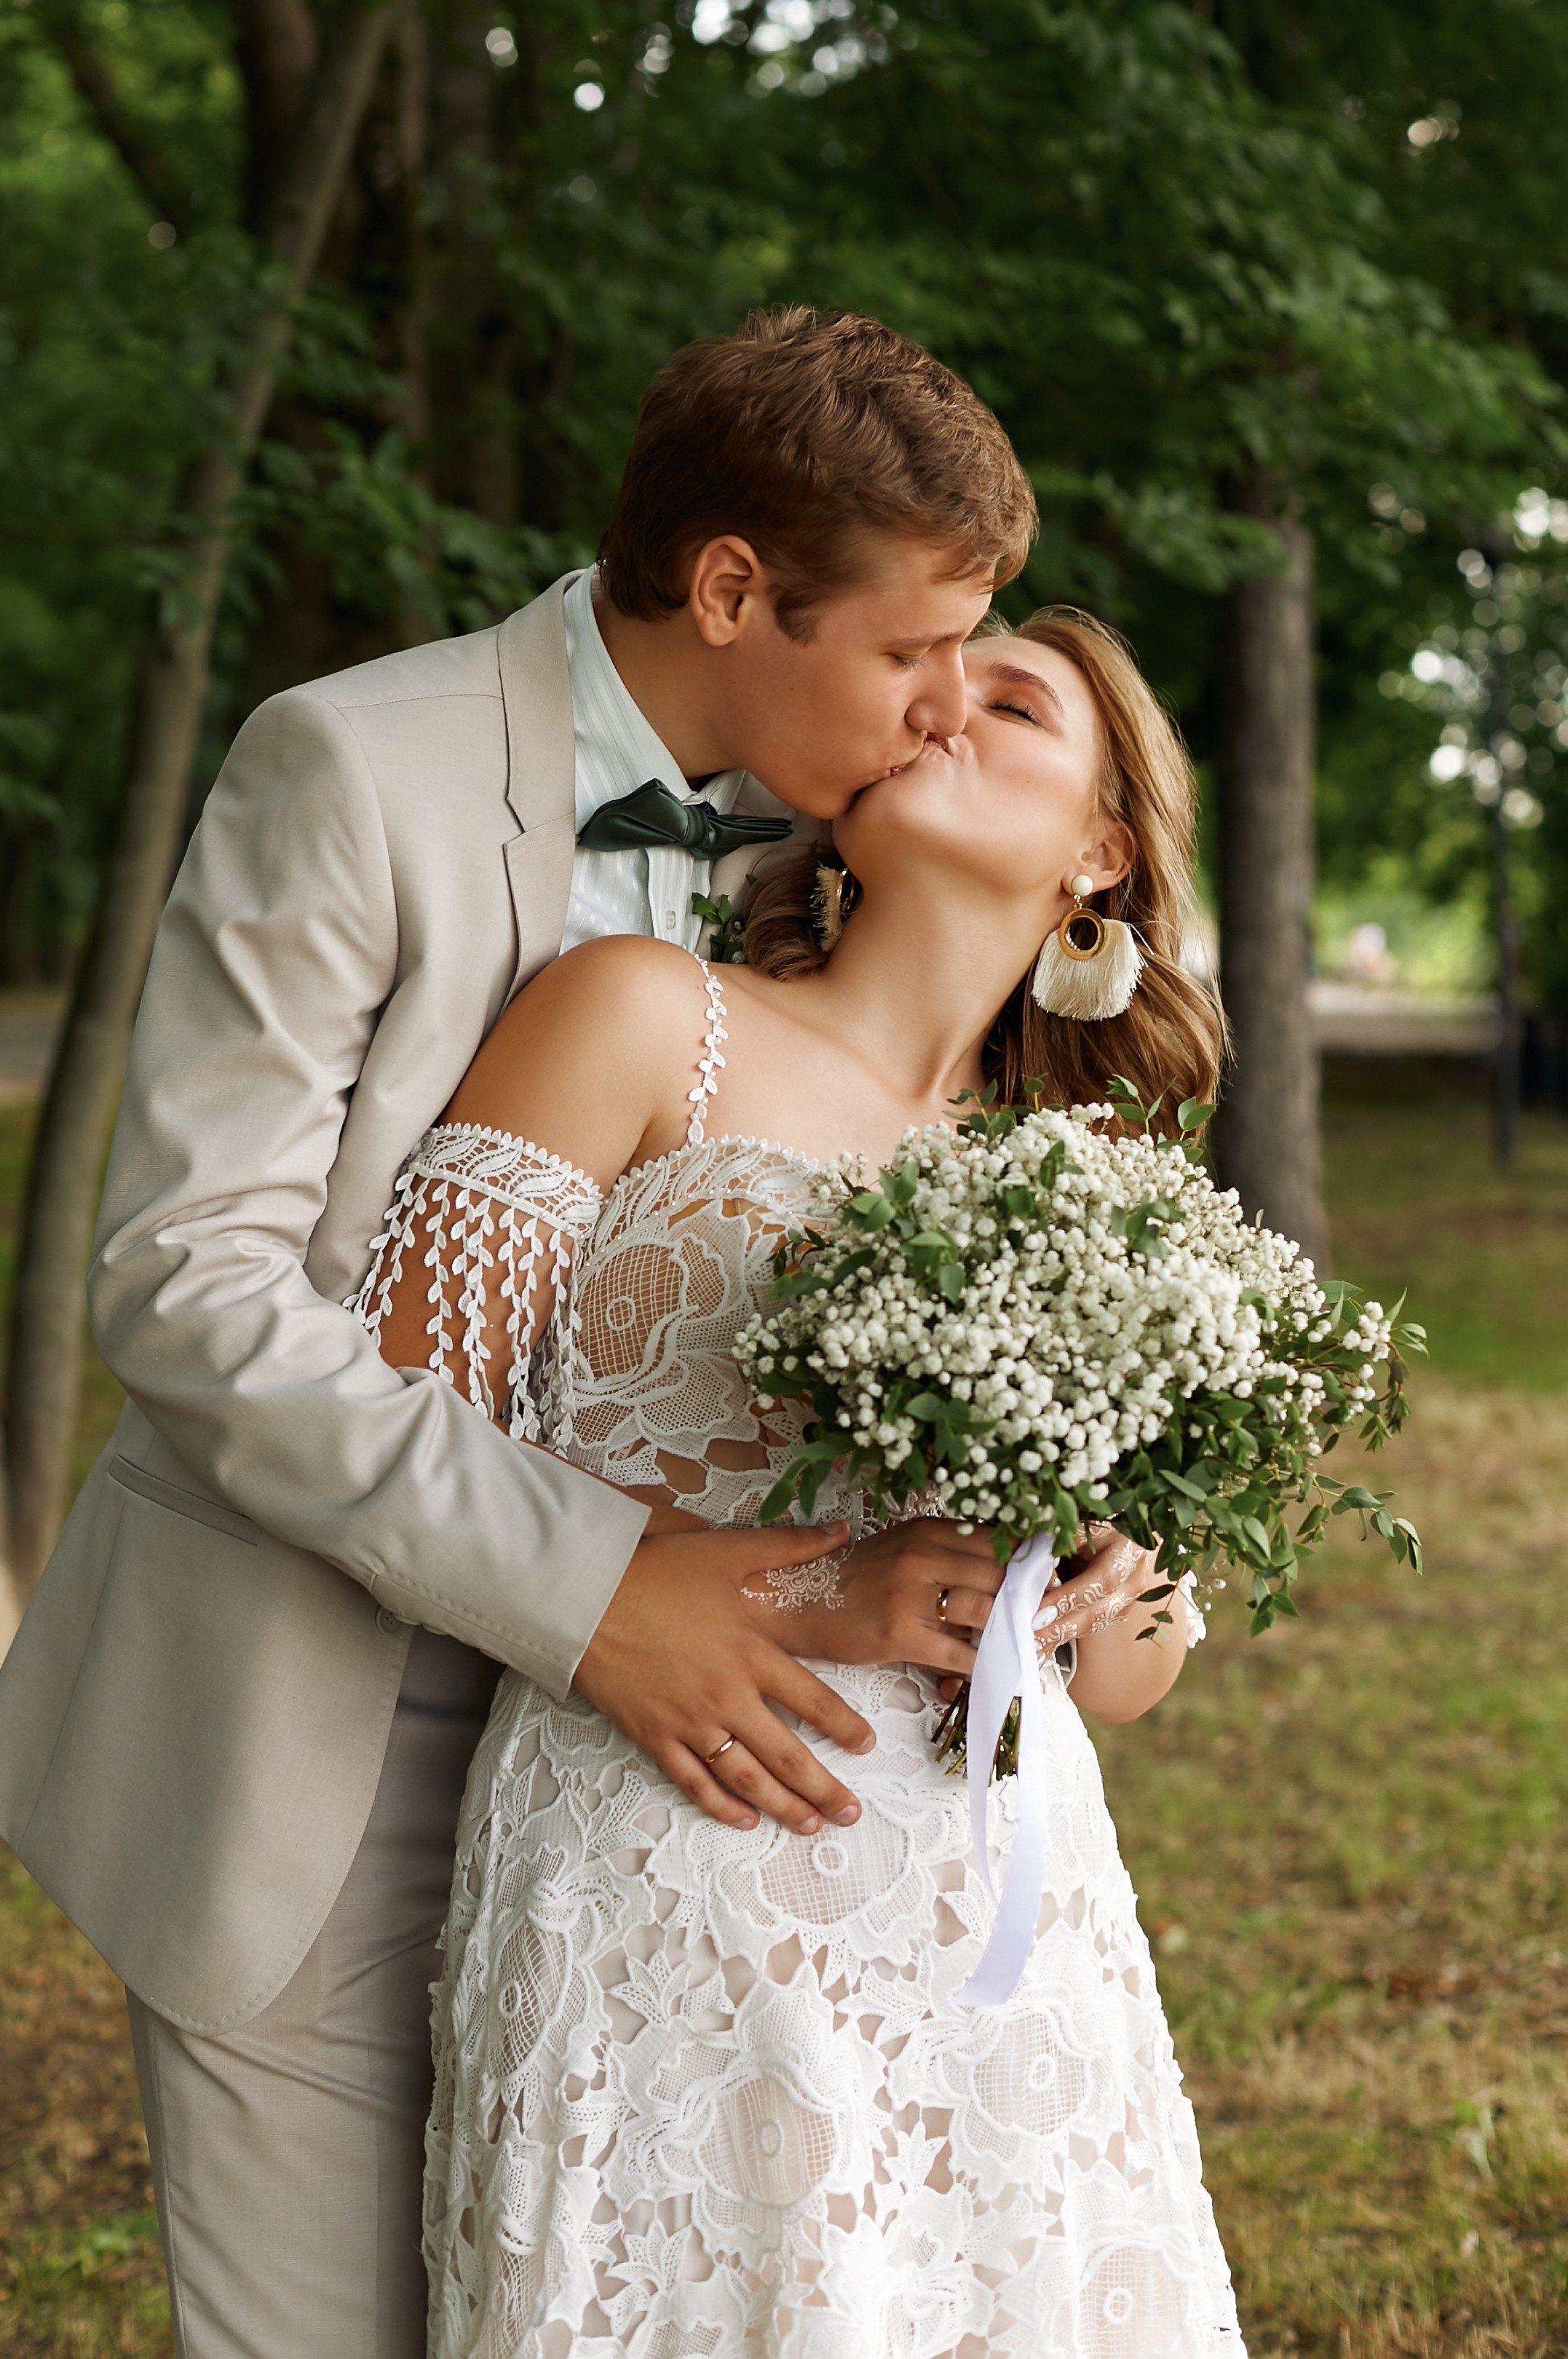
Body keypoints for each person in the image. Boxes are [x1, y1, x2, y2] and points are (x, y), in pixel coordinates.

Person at [0, 308, 1138, 2358]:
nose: (946, 703)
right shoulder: (355, 765)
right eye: (914, 648)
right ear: (733, 589)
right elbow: (186, 1279)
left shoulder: (836, 841)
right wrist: (595, 1595)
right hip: (318, 1718)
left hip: (722, 1807)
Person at [358, 606, 1245, 2354]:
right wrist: (812, 1589)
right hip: (668, 1849)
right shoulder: (638, 1015)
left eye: (1012, 701)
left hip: (998, 1908)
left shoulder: (1092, 1184)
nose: (944, 704)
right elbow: (387, 1429)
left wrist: (1108, 1572)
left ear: (1100, 851)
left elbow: (1128, 1679)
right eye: (933, 671)